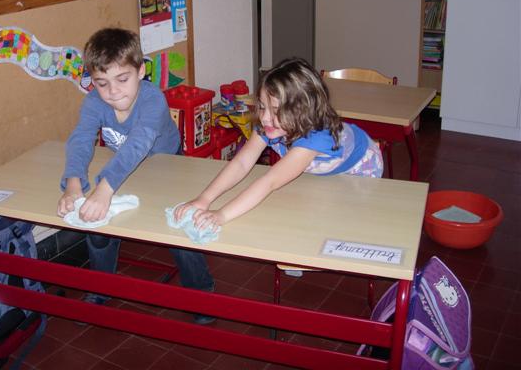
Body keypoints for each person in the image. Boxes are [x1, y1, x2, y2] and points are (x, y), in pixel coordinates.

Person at [57, 28, 214, 323]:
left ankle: (201, 294)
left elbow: (138, 145)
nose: (113, 92)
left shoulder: (153, 99)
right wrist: (73, 184)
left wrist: (104, 190)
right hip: (123, 169)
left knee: (178, 227)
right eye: (102, 83)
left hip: (167, 168)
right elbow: (81, 140)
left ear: (141, 71)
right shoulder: (94, 102)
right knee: (98, 228)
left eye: (122, 79)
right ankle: (101, 288)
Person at [175, 57, 383, 231]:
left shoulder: (315, 139)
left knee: (344, 221)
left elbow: (270, 182)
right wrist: (204, 199)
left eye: (276, 111)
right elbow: (241, 163)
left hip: (359, 167)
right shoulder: (273, 126)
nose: (265, 118)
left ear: (302, 111)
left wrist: (221, 215)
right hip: (322, 166)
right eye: (262, 107)